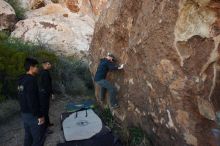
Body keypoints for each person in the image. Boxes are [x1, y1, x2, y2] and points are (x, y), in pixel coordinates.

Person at [18, 58, 45, 146]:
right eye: (36, 66)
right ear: (31, 67)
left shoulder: (21, 79)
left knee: (28, 137)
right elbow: (32, 100)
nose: (38, 68)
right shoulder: (31, 80)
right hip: (32, 115)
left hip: (24, 113)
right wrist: (40, 115)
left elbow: (21, 96)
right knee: (38, 139)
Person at [38, 60, 54, 131]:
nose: (50, 65)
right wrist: (52, 93)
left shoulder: (45, 72)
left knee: (46, 110)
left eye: (50, 64)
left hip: (44, 94)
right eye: (48, 64)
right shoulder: (44, 73)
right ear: (44, 65)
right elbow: (47, 86)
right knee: (44, 110)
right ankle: (45, 128)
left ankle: (48, 123)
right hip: (43, 95)